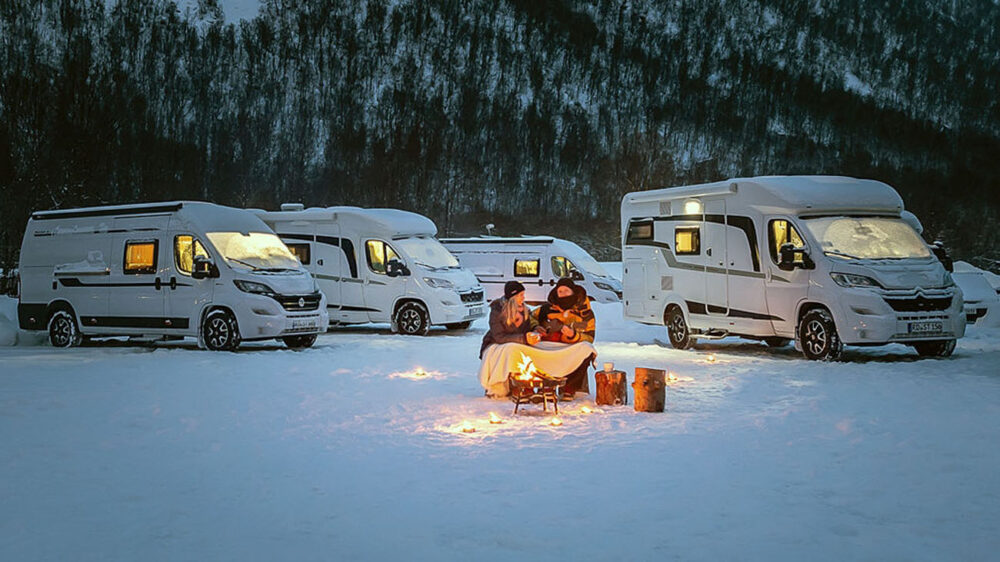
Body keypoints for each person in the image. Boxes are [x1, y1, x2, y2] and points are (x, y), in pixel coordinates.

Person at [532, 278, 596, 398]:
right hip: (548, 346)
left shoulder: (585, 313)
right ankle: (545, 386)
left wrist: (573, 335)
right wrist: (536, 327)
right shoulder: (546, 309)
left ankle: (569, 387)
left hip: (571, 347)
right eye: (560, 291)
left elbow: (590, 337)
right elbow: (530, 318)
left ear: (573, 292)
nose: (563, 294)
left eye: (566, 291)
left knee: (587, 350)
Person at [479, 280, 543, 359]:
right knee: (512, 349)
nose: (524, 298)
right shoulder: (498, 311)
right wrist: (524, 338)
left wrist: (534, 330)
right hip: (496, 343)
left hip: (517, 343)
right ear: (513, 297)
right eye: (521, 295)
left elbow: (526, 329)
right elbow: (499, 337)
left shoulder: (525, 310)